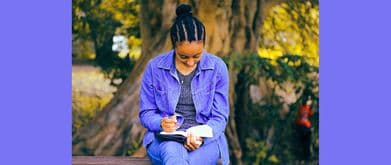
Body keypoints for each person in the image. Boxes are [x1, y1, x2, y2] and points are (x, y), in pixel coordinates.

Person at [139, 4, 230, 165]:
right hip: (164, 141)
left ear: (204, 45)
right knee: (173, 152)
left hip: (206, 141)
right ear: (174, 46)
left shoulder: (217, 68)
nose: (190, 62)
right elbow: (146, 113)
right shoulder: (155, 68)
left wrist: (200, 135)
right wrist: (161, 123)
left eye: (196, 56)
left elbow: (219, 117)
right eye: (183, 57)